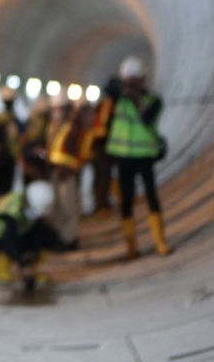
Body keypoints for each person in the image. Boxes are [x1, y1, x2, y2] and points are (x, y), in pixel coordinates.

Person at [106, 56, 172, 258]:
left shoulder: (154, 101)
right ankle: (131, 246)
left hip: (144, 157)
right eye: (129, 81)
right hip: (124, 157)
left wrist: (134, 97)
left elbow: (146, 118)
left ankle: (160, 241)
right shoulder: (119, 99)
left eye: (136, 81)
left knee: (152, 196)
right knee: (126, 200)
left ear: (143, 80)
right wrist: (124, 90)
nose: (133, 84)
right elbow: (108, 88)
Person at [0, 180, 61, 293]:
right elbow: (10, 241)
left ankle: (30, 268)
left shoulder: (25, 198)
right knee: (10, 243)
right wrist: (23, 262)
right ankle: (2, 269)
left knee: (47, 236)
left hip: (18, 230)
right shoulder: (10, 213)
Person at [47, 100, 95, 250]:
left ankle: (66, 237)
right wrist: (65, 170)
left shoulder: (72, 127)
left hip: (63, 171)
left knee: (65, 206)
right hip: (64, 172)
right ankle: (65, 238)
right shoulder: (74, 128)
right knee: (66, 206)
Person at [91, 76, 122, 216]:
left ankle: (104, 203)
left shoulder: (106, 104)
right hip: (101, 145)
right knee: (102, 175)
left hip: (102, 144)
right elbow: (103, 127)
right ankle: (100, 205)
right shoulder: (108, 105)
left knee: (105, 174)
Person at [0, 86, 23, 197]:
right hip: (2, 158)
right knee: (0, 186)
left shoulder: (14, 120)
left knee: (7, 187)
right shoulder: (0, 119)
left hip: (10, 157)